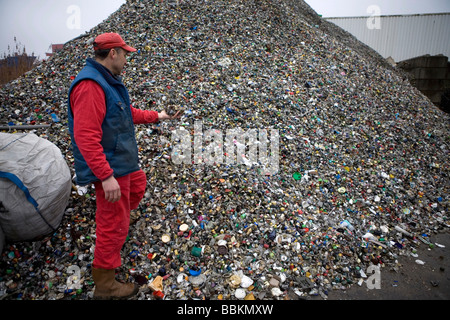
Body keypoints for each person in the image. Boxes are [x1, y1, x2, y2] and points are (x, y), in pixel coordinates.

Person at [67, 32, 180, 299]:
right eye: (125, 53)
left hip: (123, 162)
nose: (127, 59)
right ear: (113, 53)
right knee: (112, 220)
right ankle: (105, 284)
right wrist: (105, 176)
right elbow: (85, 136)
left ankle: (118, 225)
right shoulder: (90, 86)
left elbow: (125, 112)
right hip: (110, 166)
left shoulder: (107, 83)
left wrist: (158, 116)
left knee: (138, 186)